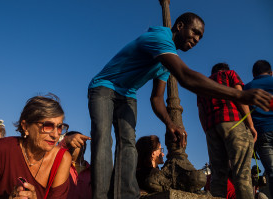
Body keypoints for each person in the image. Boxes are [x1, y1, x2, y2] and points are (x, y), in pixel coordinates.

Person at [88, 11, 272, 198]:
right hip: (104, 87)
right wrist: (239, 95)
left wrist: (170, 123)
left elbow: (156, 98)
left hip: (128, 94)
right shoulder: (160, 38)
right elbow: (185, 77)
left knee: (127, 143)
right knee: (103, 138)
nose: (197, 39)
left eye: (200, 36)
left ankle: (126, 195)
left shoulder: (166, 59)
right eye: (195, 32)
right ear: (180, 26)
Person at [0, 94, 72, 198]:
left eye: (60, 127)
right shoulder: (2, 149)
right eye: (47, 126)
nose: (55, 135)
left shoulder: (62, 159)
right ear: (25, 126)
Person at [197, 63, 257, 199]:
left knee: (217, 175)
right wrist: (251, 125)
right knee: (242, 171)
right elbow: (239, 97)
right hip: (233, 122)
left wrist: (208, 131)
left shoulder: (202, 85)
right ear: (225, 69)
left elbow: (201, 112)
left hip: (212, 127)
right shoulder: (229, 74)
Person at [244, 60, 273, 199]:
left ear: (254, 74)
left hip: (262, 133)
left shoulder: (247, 87)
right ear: (271, 73)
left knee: (271, 172)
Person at [60, 131, 92, 199]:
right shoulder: (60, 166)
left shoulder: (93, 171)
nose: (72, 146)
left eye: (78, 142)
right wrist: (66, 140)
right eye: (69, 144)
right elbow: (55, 153)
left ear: (84, 145)